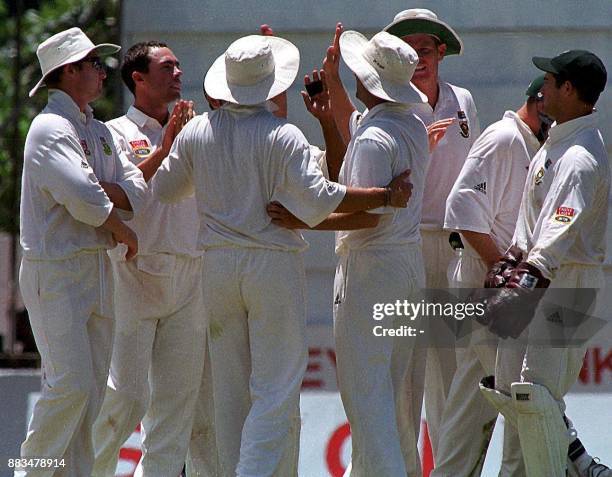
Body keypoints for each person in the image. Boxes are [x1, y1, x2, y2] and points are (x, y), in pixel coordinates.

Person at [151, 34, 413, 476]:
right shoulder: (282, 135)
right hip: (269, 263)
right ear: (270, 85)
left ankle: (240, 469)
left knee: (231, 389)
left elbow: (165, 189)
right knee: (275, 386)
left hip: (216, 265)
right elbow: (319, 197)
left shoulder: (198, 131)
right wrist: (385, 194)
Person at [269, 30, 430, 476]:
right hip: (404, 266)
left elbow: (365, 215)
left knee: (367, 398)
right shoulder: (409, 124)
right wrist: (326, 117)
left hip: (371, 268)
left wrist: (303, 219)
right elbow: (351, 181)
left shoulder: (378, 135)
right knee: (392, 397)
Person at [17, 27, 146, 476]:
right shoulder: (50, 128)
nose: (102, 71)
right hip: (55, 269)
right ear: (69, 72)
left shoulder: (96, 130)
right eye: (94, 64)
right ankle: (27, 471)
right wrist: (124, 232)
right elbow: (87, 200)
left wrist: (100, 191)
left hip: (94, 268)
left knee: (90, 395)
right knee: (69, 385)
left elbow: (138, 191)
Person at [479, 50, 609, 477]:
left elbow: (560, 226)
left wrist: (528, 273)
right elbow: (531, 221)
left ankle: (571, 469)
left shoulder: (580, 157)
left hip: (568, 283)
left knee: (535, 395)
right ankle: (579, 465)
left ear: (569, 90)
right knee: (510, 388)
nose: (543, 88)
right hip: (544, 276)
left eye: (550, 81)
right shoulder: (556, 146)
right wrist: (514, 256)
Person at [91, 42, 214, 477]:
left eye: (179, 65)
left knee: (175, 411)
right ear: (137, 78)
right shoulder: (113, 134)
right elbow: (116, 197)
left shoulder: (199, 130)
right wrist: (166, 147)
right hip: (133, 273)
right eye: (167, 66)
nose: (178, 72)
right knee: (124, 398)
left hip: (189, 273)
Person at [432, 76, 547, 477]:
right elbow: (463, 212)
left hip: (501, 293)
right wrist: (506, 277)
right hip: (489, 292)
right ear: (539, 104)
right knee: (516, 399)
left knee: (475, 400)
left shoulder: (533, 146)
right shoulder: (504, 139)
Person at [383, 9, 482, 456]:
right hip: (405, 247)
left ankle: (448, 466)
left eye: (424, 49)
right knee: (405, 371)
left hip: (452, 245)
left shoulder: (462, 99)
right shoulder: (391, 105)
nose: (417, 59)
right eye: (408, 51)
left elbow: (474, 176)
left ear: (441, 52)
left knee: (452, 368)